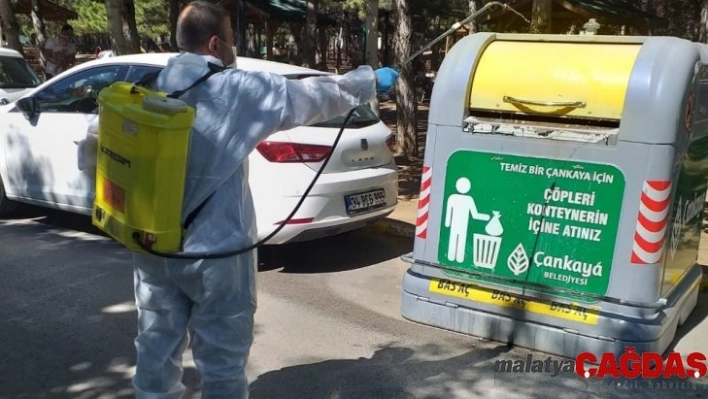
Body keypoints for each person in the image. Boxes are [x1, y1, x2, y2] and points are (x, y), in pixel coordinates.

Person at [130, 1, 399, 398]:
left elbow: (97, 159)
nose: (235, 49)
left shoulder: (142, 92)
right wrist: (368, 81)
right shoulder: (231, 90)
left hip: (153, 247)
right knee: (222, 359)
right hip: (217, 254)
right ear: (217, 44)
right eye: (234, 40)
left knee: (155, 346)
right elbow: (308, 96)